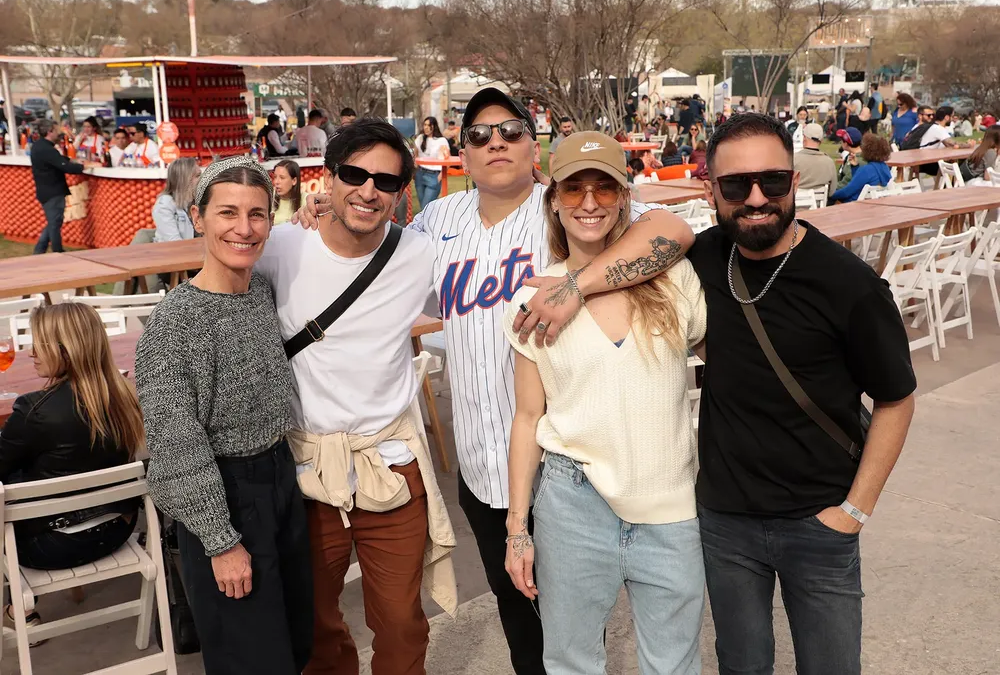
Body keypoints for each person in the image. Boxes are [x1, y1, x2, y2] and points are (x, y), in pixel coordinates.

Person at [292, 87, 696, 675]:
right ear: (463, 152)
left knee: (573, 628)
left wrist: (578, 285)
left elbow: (670, 228)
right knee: (518, 614)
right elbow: (366, 248)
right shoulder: (436, 223)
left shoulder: (564, 208)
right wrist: (318, 213)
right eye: (480, 135)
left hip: (562, 461)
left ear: (534, 145)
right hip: (483, 463)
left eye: (510, 131)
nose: (496, 143)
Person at [687, 112, 916, 675]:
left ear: (795, 180)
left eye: (774, 181)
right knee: (741, 666)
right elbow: (636, 233)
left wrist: (854, 512)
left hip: (822, 519)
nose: (757, 198)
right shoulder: (702, 259)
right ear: (711, 190)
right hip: (726, 519)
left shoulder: (850, 287)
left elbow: (896, 400)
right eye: (736, 185)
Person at [257, 117, 457, 675]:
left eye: (386, 182)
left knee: (399, 624)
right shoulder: (280, 248)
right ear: (328, 177)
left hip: (389, 463)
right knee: (316, 624)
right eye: (354, 173)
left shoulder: (419, 254)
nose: (368, 190)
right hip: (306, 466)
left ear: (399, 194)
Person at [503, 132, 707, 674]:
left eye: (603, 188)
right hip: (572, 505)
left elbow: (726, 357)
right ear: (553, 198)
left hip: (669, 501)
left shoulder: (672, 278)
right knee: (571, 662)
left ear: (623, 197)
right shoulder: (532, 302)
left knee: (674, 664)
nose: (589, 202)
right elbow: (527, 419)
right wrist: (517, 531)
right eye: (573, 189)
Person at [135, 157, 312, 675]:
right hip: (225, 495)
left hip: (280, 478)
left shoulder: (259, 292)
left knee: (295, 641)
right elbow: (175, 441)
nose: (244, 228)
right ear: (198, 217)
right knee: (251, 659)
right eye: (228, 213)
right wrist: (220, 539)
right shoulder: (173, 324)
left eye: (258, 215)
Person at [0, 303, 144, 630]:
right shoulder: (125, 396)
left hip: (50, 548)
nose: (31, 352)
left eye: (41, 344)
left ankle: (21, 610)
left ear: (67, 350)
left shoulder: (33, 410)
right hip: (117, 531)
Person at [30, 119, 86, 254]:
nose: (59, 133)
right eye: (56, 130)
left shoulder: (39, 146)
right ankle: (57, 251)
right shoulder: (47, 149)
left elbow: (58, 161)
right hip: (52, 191)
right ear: (50, 131)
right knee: (55, 224)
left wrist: (69, 161)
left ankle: (39, 251)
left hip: (46, 190)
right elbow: (64, 166)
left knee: (53, 222)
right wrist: (82, 166)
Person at [831, 133, 892, 203]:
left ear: (867, 150)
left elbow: (847, 191)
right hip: (874, 202)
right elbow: (859, 182)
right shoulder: (884, 167)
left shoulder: (867, 170)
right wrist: (855, 167)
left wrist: (830, 194)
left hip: (855, 204)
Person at [153, 157, 201, 242]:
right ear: (185, 179)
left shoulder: (192, 201)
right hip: (171, 253)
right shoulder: (164, 205)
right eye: (197, 176)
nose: (202, 179)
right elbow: (174, 242)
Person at [414, 116, 451, 208]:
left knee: (426, 207)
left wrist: (439, 177)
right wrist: (414, 172)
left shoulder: (441, 140)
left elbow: (448, 161)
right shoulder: (420, 138)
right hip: (420, 174)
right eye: (425, 125)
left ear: (434, 126)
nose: (426, 127)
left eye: (429, 125)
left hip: (434, 175)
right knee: (423, 209)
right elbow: (415, 156)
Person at [794, 122, 838, 199]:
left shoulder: (793, 159)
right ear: (821, 141)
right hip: (819, 206)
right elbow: (832, 192)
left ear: (804, 138)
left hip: (796, 206)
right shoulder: (829, 162)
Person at [272, 159, 301, 225]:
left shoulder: (305, 200)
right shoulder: (269, 199)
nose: (276, 182)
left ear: (294, 181)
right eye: (275, 177)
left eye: (282, 178)